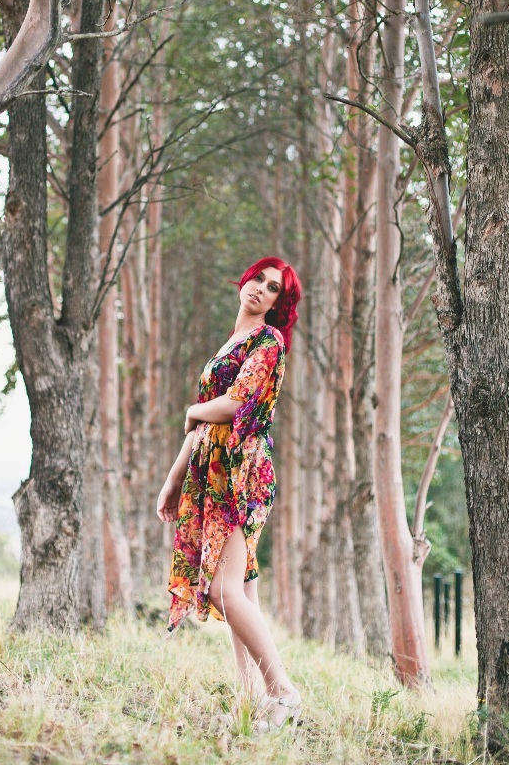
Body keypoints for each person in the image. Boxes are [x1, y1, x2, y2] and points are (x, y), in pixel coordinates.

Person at [156, 256, 303, 732]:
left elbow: (234, 405)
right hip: (210, 471)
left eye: (273, 288)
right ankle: (249, 699)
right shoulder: (232, 342)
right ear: (244, 281)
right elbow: (201, 425)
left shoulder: (269, 342)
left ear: (280, 303)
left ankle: (282, 692)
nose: (261, 289)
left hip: (242, 476)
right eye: (258, 279)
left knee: (222, 590)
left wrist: (194, 407)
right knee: (240, 592)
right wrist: (174, 479)